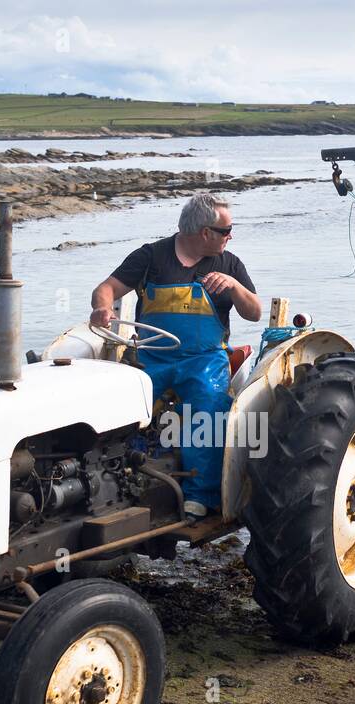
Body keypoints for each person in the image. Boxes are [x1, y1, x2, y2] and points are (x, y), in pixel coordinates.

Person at [90, 193, 261, 518]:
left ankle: (201, 495)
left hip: (204, 360)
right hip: (151, 357)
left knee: (209, 408)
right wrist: (102, 307)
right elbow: (106, 288)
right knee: (117, 407)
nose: (230, 236)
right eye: (226, 231)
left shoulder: (229, 264)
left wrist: (235, 288)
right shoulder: (151, 257)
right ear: (203, 232)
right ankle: (119, 481)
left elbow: (254, 312)